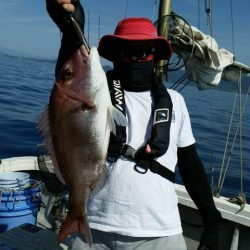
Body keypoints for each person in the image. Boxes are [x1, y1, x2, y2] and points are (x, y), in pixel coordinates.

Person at [46, 1, 223, 249]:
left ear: (154, 55)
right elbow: (69, 78)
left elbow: (190, 163)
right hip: (94, 224)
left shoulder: (175, 102)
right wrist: (71, 27)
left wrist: (213, 221)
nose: (134, 58)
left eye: (142, 52)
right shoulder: (99, 91)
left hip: (160, 231)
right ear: (115, 56)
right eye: (124, 51)